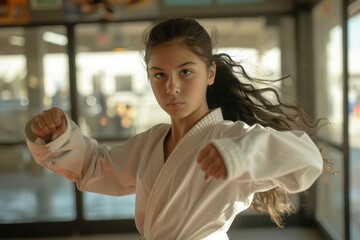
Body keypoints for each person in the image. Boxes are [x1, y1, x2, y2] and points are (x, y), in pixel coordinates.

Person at [24, 17, 326, 240]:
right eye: (159, 75)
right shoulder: (151, 142)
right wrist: (58, 137)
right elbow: (95, 166)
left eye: (185, 72)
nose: (172, 88)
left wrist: (241, 155)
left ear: (210, 73)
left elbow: (307, 159)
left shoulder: (229, 137)